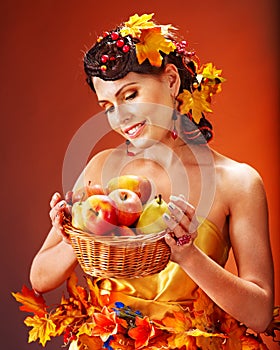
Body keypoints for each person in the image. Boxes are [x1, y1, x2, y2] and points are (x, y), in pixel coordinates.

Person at [29, 13, 276, 349]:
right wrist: (74, 235)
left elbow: (259, 314)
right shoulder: (101, 168)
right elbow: (39, 277)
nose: (120, 118)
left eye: (130, 96)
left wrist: (189, 256)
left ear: (171, 81)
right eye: (108, 106)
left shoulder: (238, 182)